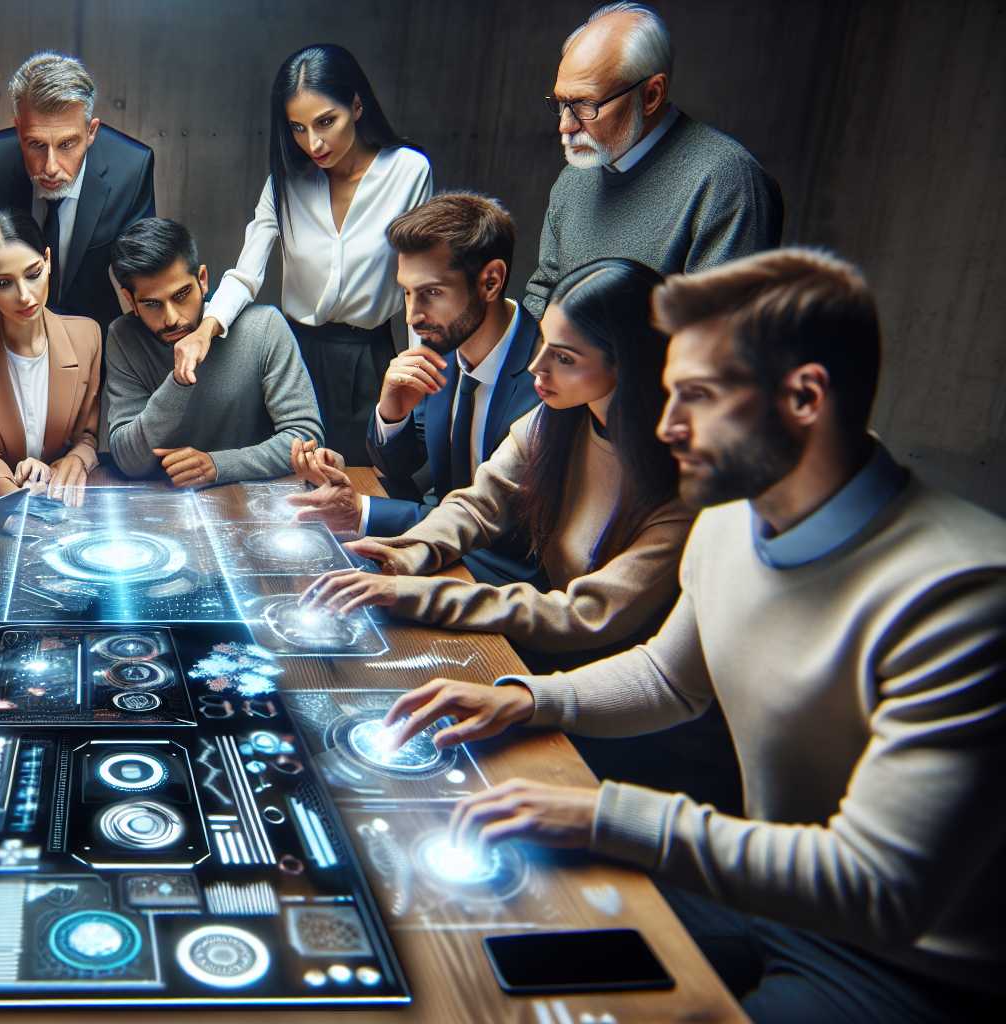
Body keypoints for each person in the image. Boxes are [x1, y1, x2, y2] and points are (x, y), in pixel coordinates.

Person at [377, 249, 1003, 1022]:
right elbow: (669, 680)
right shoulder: (732, 518)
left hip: (902, 964)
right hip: (762, 896)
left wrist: (605, 815)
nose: (667, 426)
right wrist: (522, 698)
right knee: (479, 934)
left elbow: (878, 885)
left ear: (805, 398)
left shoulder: (967, 593)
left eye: (698, 398)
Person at [302, 258, 692, 657]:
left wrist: (415, 594)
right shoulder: (561, 414)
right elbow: (480, 503)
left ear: (629, 366)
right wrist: (409, 552)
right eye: (543, 345)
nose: (537, 367)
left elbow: (583, 617)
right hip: (541, 641)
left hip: (603, 673)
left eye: (565, 358)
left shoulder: (685, 483)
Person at [173, 43, 432, 465]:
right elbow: (246, 273)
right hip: (292, 358)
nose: (313, 142)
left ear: (357, 105)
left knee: (358, 486)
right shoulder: (286, 182)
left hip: (368, 362)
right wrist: (205, 330)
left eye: (326, 122)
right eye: (297, 128)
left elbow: (419, 281)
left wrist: (420, 368)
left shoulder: (407, 171)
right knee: (281, 486)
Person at [287, 191, 544, 586]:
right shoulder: (446, 348)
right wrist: (393, 413)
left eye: (432, 293)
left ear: (490, 281)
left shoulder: (546, 380)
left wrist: (364, 511)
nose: (412, 315)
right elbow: (403, 467)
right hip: (440, 558)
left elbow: (502, 532)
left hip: (500, 581)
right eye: (407, 292)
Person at [522, 2, 782, 320]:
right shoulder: (574, 178)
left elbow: (716, 341)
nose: (566, 125)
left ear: (651, 95)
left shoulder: (727, 182)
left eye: (586, 104)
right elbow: (542, 299)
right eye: (562, 103)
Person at [104, 218, 322, 487]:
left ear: (203, 280)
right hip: (164, 505)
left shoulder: (264, 327)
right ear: (130, 301)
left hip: (257, 501)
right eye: (152, 304)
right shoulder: (124, 337)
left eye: (181, 294)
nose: (171, 318)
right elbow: (129, 460)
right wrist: (178, 382)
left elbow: (306, 438)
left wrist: (218, 465)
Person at [0, 51, 156, 332]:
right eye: (35, 144)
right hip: (3, 331)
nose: (50, 167)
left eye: (67, 144)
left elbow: (145, 276)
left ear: (91, 131)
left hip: (93, 332)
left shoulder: (132, 168)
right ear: (18, 129)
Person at [0, 207, 101, 504]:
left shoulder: (87, 337)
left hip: (65, 499)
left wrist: (75, 461)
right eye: (3, 283)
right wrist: (21, 501)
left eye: (33, 274)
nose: (25, 295)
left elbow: (86, 438)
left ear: (49, 261)